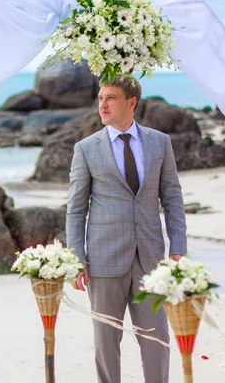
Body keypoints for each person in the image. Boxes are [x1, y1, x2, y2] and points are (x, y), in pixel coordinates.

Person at [66, 74, 187, 383]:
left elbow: (172, 196)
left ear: (131, 102)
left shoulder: (160, 142)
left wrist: (178, 248)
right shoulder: (86, 148)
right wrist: (77, 257)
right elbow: (76, 208)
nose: (102, 104)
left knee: (156, 340)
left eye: (110, 98)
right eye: (100, 98)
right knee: (106, 342)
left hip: (150, 259)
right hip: (104, 260)